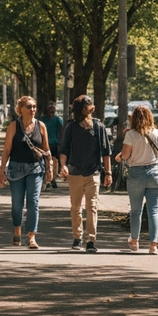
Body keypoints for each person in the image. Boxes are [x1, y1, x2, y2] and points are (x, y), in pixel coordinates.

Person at [59, 94, 112, 252]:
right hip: (74, 173)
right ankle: (77, 238)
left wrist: (108, 172)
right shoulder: (71, 127)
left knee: (92, 207)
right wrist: (63, 165)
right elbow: (64, 150)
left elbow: (106, 152)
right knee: (75, 207)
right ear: (82, 110)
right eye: (89, 106)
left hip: (93, 173)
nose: (92, 108)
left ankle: (91, 240)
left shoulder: (98, 127)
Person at [0, 95, 53, 249]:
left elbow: (46, 149)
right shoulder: (13, 126)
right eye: (29, 107)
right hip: (16, 169)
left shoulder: (41, 126)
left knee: (33, 202)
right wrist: (2, 171)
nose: (32, 109)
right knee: (17, 204)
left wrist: (49, 168)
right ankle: (17, 229)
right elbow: (7, 150)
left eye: (34, 106)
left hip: (35, 168)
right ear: (20, 109)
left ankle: (31, 236)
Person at [115, 105, 158, 254]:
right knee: (153, 210)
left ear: (134, 118)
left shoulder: (131, 135)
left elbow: (125, 156)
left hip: (136, 174)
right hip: (155, 174)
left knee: (136, 211)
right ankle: (153, 245)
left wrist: (120, 156)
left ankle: (134, 241)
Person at [38, 103, 64, 189]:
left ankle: (53, 178)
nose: (51, 112)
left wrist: (61, 141)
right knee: (45, 161)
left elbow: (62, 130)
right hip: (44, 144)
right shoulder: (42, 120)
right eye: (50, 110)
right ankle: (47, 179)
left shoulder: (57, 119)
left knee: (55, 161)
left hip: (54, 143)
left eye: (53, 110)